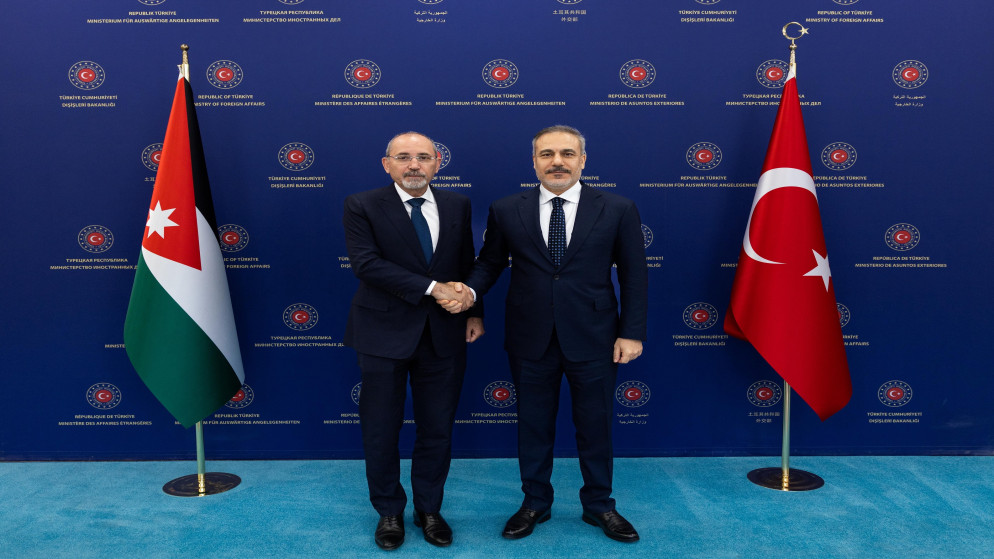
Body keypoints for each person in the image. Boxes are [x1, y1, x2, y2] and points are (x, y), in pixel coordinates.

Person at [450, 125, 648, 543]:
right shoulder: (507, 208)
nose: (557, 162)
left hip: (595, 336)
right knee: (533, 425)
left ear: (582, 160)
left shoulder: (617, 208)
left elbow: (635, 275)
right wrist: (470, 296)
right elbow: (489, 264)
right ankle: (535, 501)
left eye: (567, 154)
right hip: (530, 337)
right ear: (534, 161)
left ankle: (599, 505)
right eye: (547, 154)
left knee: (595, 426)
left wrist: (631, 332)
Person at [343, 131, 482, 551]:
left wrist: (473, 310)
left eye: (423, 157)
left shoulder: (457, 204)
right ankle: (389, 510)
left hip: (444, 333)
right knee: (381, 429)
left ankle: (429, 509)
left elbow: (467, 262)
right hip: (382, 333)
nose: (414, 165)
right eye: (403, 157)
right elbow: (366, 265)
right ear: (387, 164)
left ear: (438, 162)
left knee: (437, 427)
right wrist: (435, 288)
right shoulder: (362, 204)